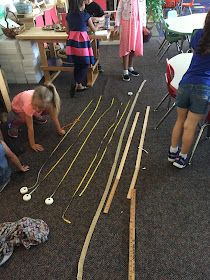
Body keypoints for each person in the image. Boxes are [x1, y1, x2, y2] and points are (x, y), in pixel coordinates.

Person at [168, 10, 210, 169]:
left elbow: (195, 50)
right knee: (190, 125)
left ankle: (172, 153)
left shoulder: (198, 34)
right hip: (204, 87)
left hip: (185, 83)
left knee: (180, 120)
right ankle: (182, 158)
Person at [8, 84, 65, 152]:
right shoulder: (29, 105)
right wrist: (32, 144)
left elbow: (54, 117)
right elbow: (30, 128)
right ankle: (14, 124)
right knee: (24, 119)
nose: (37, 109)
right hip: (17, 106)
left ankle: (34, 116)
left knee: (47, 110)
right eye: (36, 106)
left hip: (31, 106)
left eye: (40, 107)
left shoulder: (48, 102)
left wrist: (59, 130)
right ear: (33, 99)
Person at [66, 0, 98, 96]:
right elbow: (94, 29)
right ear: (82, 4)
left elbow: (67, 31)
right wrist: (98, 25)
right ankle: (76, 83)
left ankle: (79, 85)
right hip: (82, 43)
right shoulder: (85, 15)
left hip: (72, 42)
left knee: (77, 63)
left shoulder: (69, 15)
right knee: (85, 63)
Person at [114, 0, 150, 81]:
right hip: (126, 23)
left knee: (134, 46)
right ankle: (125, 71)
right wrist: (117, 25)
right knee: (126, 46)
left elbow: (144, 11)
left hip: (138, 23)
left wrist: (144, 26)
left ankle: (130, 67)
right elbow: (119, 10)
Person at [85, 0, 105, 72]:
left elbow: (103, 17)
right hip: (82, 31)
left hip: (92, 30)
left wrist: (96, 19)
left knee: (95, 48)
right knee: (84, 50)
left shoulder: (95, 5)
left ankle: (97, 64)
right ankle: (86, 65)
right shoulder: (79, 5)